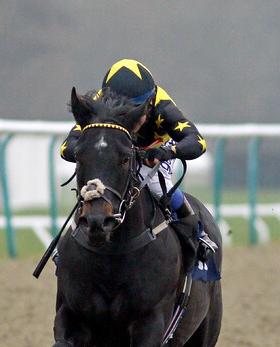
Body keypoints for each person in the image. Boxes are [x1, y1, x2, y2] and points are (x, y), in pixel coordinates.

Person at [61, 59, 216, 261]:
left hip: (154, 149)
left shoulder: (163, 108)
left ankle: (196, 234)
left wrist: (165, 153)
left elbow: (197, 142)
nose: (127, 119)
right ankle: (65, 246)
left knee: (158, 186)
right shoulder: (99, 106)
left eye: (133, 113)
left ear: (149, 104)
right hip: (115, 150)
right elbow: (67, 147)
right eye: (120, 111)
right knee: (95, 189)